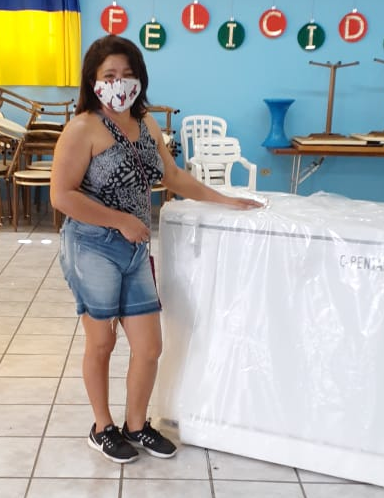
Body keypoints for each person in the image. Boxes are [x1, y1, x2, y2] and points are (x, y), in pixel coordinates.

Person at [50, 34, 262, 464]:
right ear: (93, 81)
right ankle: (102, 428)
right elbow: (62, 196)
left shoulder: (146, 125)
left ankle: (136, 425)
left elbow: (172, 176)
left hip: (134, 249)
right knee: (102, 343)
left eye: (127, 74)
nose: (119, 83)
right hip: (92, 246)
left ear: (140, 79)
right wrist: (120, 220)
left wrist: (225, 199)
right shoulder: (82, 128)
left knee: (149, 347)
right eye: (110, 75)